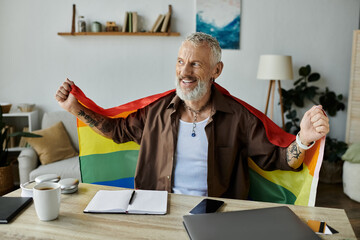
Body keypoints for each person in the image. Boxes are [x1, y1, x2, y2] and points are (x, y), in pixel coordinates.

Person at [55, 32, 329, 199]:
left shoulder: (239, 117)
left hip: (217, 217)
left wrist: (304, 138)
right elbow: (116, 131)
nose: (184, 72)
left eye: (195, 63)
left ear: (216, 71)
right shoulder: (156, 111)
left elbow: (280, 160)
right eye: (180, 61)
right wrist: (74, 108)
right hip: (157, 212)